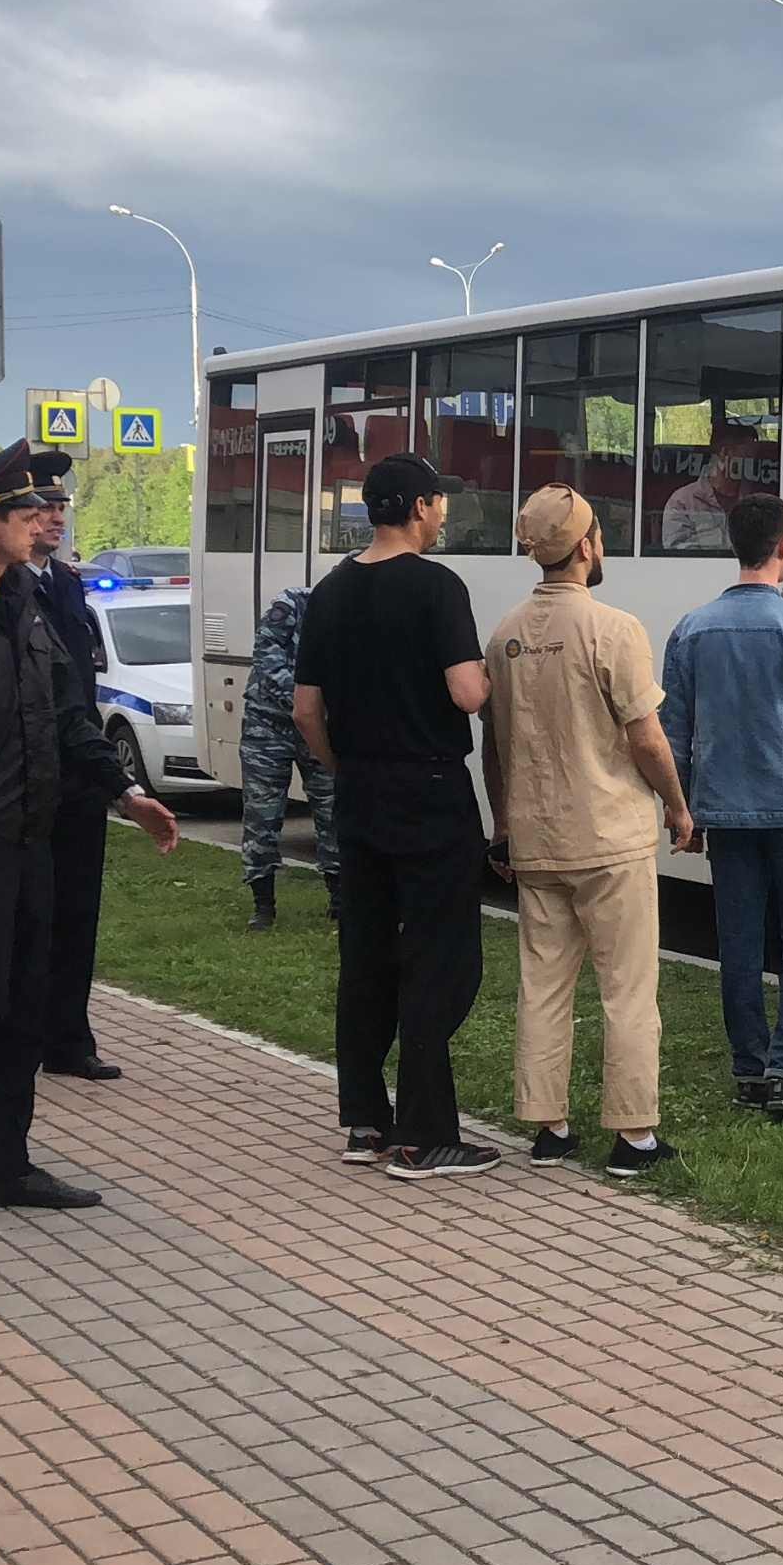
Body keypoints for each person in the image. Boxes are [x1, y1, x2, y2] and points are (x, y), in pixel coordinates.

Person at [0, 442, 181, 1215]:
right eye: (28, 512)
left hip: (35, 834)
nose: (43, 522)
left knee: (26, 1006)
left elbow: (67, 717)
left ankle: (8, 1168)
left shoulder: (28, 604)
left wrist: (124, 790)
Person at [294, 452, 498, 1181]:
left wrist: (345, 768)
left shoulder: (331, 591)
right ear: (418, 506)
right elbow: (468, 693)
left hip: (361, 794)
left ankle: (364, 1119)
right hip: (430, 791)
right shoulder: (438, 587)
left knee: (367, 954)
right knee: (440, 960)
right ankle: (425, 1136)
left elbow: (305, 709)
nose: (442, 517)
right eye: (439, 504)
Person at [481, 485, 695, 1175]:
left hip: (537, 839)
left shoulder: (504, 634)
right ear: (585, 547)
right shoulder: (615, 628)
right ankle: (634, 1137)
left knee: (543, 986)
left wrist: (503, 821)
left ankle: (550, 1128)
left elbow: (495, 746)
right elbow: (647, 737)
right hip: (610, 837)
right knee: (627, 988)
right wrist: (678, 804)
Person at [660, 493, 783, 1121]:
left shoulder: (690, 629)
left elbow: (675, 732)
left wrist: (682, 810)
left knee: (739, 945)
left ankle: (749, 1070)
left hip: (725, 814)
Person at [24, 513, 124, 1082]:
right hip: (23, 778)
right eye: (42, 508)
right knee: (19, 918)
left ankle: (67, 1039)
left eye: (62, 505)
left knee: (76, 911)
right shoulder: (3, 588)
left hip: (78, 773)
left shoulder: (65, 581)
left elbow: (75, 690)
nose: (57, 517)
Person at [240, 583, 340, 930]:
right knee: (262, 815)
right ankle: (263, 905)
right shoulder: (292, 603)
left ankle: (339, 900)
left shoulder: (356, 613)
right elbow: (268, 660)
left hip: (320, 726)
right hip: (269, 726)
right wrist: (310, 703)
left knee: (333, 813)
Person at [659, 423, 768, 552]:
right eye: (748, 453)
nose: (753, 460)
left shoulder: (755, 503)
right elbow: (678, 556)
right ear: (725, 452)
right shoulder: (682, 502)